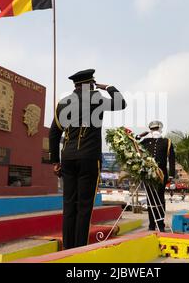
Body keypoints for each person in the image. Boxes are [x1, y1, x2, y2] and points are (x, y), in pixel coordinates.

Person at [48, 69, 127, 249]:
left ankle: (67, 248)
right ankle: (79, 250)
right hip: (88, 158)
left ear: (75, 85)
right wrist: (108, 87)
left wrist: (55, 161)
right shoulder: (96, 99)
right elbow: (121, 103)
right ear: (90, 84)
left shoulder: (63, 103)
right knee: (84, 207)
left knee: (69, 206)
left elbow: (54, 133)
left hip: (67, 158)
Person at [137, 120, 175, 232]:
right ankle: (151, 224)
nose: (155, 131)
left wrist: (172, 175)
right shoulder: (145, 141)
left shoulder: (166, 141)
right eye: (153, 129)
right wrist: (139, 136)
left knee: (160, 199)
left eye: (156, 129)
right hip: (148, 175)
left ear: (160, 129)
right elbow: (133, 144)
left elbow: (172, 159)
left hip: (161, 175)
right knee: (150, 200)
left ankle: (161, 224)